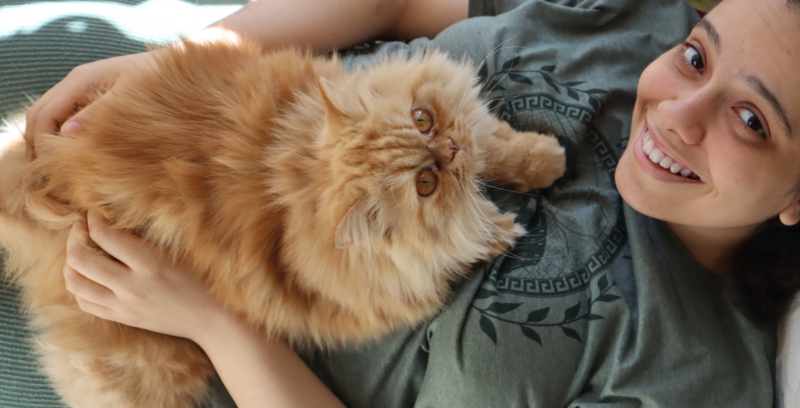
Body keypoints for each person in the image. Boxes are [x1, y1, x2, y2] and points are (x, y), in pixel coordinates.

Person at [18, 0, 800, 406]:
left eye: (752, 120)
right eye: (698, 56)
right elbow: (389, 3)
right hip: (194, 123)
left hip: (162, 331)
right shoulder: (634, 21)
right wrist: (176, 61)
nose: (674, 112)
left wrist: (213, 326)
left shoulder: (694, 377)